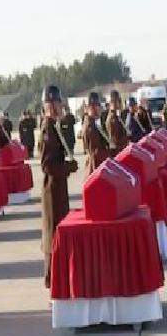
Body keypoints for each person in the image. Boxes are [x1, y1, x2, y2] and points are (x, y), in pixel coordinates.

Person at [38, 85, 77, 289]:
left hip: (58, 187)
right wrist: (67, 168)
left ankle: (57, 279)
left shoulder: (54, 126)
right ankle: (52, 280)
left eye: (58, 102)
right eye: (54, 103)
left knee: (57, 232)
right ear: (48, 105)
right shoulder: (47, 128)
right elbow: (47, 165)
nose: (58, 106)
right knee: (52, 234)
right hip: (52, 190)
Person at [82, 92, 110, 174]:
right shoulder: (90, 126)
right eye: (93, 106)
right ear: (87, 108)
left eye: (97, 105)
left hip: (98, 167)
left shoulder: (94, 123)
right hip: (94, 169)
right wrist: (110, 153)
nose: (96, 109)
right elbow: (96, 152)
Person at [106, 90, 129, 158]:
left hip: (120, 151)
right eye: (119, 101)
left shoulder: (116, 116)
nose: (120, 104)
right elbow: (115, 141)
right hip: (117, 153)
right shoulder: (113, 119)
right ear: (114, 102)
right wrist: (127, 138)